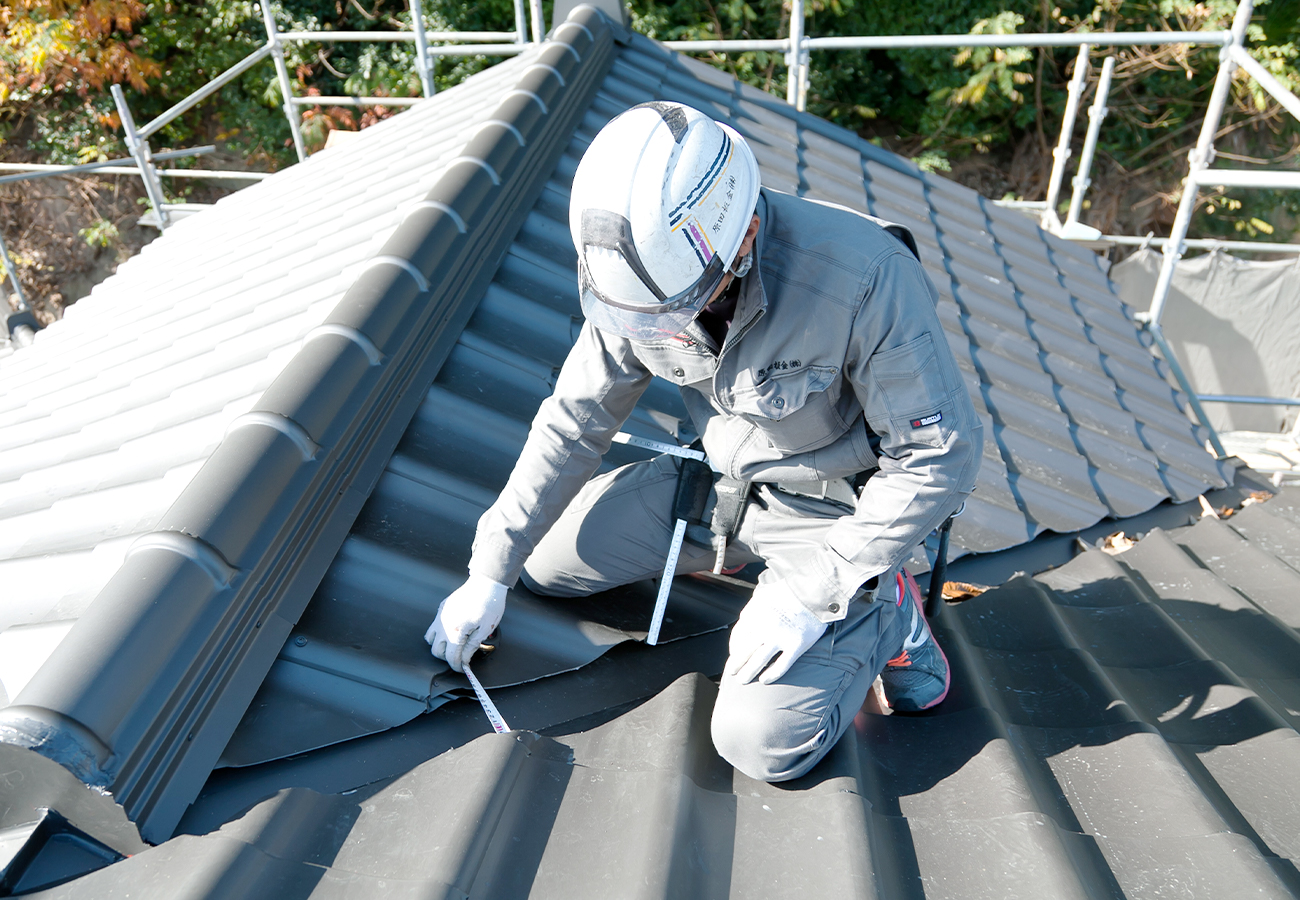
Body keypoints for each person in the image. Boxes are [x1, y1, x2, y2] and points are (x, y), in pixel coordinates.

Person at [426, 101, 982, 782]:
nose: (660, 327)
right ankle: (727, 554)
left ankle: (888, 609)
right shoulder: (636, 271)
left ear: (742, 234)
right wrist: (490, 567)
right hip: (727, 492)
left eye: (676, 309)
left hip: (837, 517)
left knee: (761, 740)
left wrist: (809, 596)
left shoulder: (863, 277)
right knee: (537, 563)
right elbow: (574, 422)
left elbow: (938, 459)